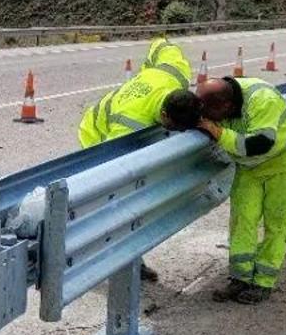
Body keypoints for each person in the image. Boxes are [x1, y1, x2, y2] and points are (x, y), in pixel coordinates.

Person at [77, 35, 202, 281]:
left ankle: (129, 257)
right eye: (173, 127)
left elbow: (161, 43)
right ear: (164, 114)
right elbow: (112, 171)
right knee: (117, 201)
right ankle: (115, 260)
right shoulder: (130, 126)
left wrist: (146, 71)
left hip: (128, 117)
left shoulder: (176, 74)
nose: (176, 132)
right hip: (96, 135)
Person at [193, 76, 286, 304]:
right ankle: (240, 278)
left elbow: (260, 144)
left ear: (226, 106)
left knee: (276, 223)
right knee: (242, 219)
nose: (207, 118)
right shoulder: (219, 97)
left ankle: (263, 283)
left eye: (211, 113)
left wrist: (218, 133)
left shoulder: (262, 99)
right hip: (250, 166)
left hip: (284, 163)